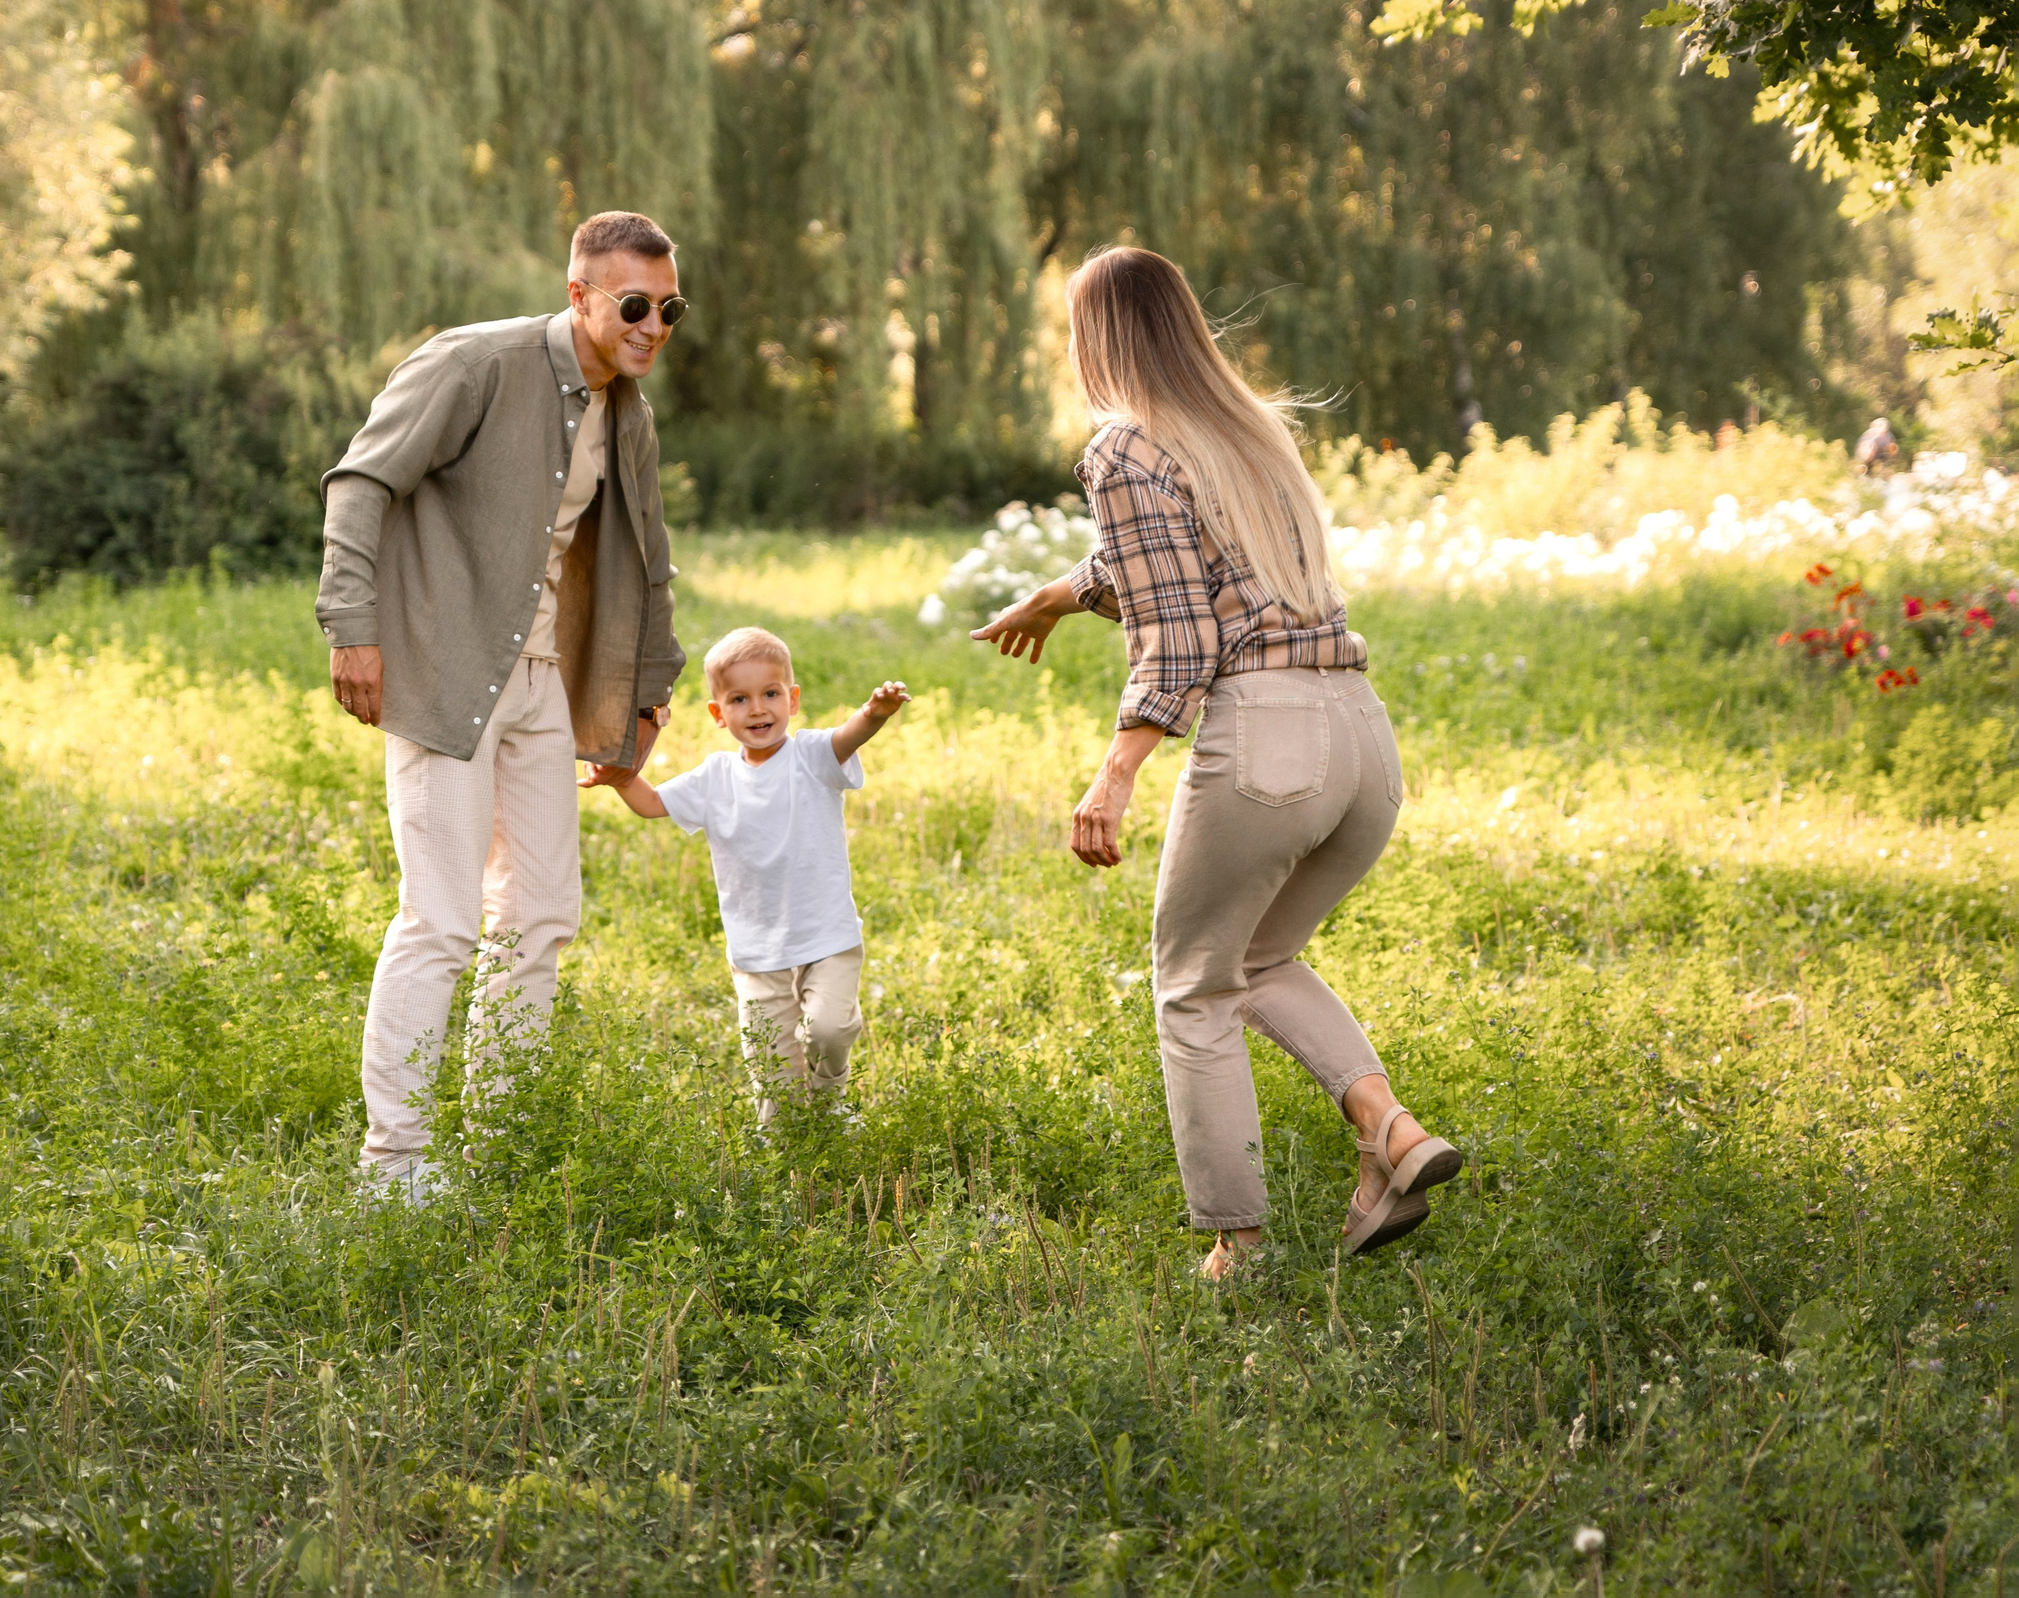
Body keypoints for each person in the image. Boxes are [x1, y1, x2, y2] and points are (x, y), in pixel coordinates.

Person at [973, 245, 1460, 1278]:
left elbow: (1182, 632)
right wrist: (1054, 598)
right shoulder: (1250, 432)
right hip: (1360, 738)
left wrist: (1117, 769)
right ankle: (1390, 1131)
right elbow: (1165, 564)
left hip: (1265, 741)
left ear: (1095, 339)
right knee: (1258, 960)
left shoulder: (1122, 452)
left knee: (1192, 985)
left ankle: (1234, 1244)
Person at [317, 211, 689, 1205]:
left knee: (540, 915)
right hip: (443, 672)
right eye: (635, 306)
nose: (654, 326)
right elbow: (360, 485)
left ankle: (497, 1139)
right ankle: (393, 1163)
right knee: (439, 916)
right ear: (580, 295)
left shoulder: (630, 417)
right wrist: (352, 628)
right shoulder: (471, 365)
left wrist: (647, 696)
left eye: (671, 309)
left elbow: (648, 565)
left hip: (542, 693)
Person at [583, 627, 907, 1127]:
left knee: (828, 1031)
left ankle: (831, 1100)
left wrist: (876, 713)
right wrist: (624, 778)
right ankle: (782, 1153)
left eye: (771, 694)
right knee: (771, 1068)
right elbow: (652, 805)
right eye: (740, 699)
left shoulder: (812, 756)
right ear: (718, 714)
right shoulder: (714, 778)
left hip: (827, 935)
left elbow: (850, 735)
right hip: (757, 949)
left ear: (792, 700)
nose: (758, 709)